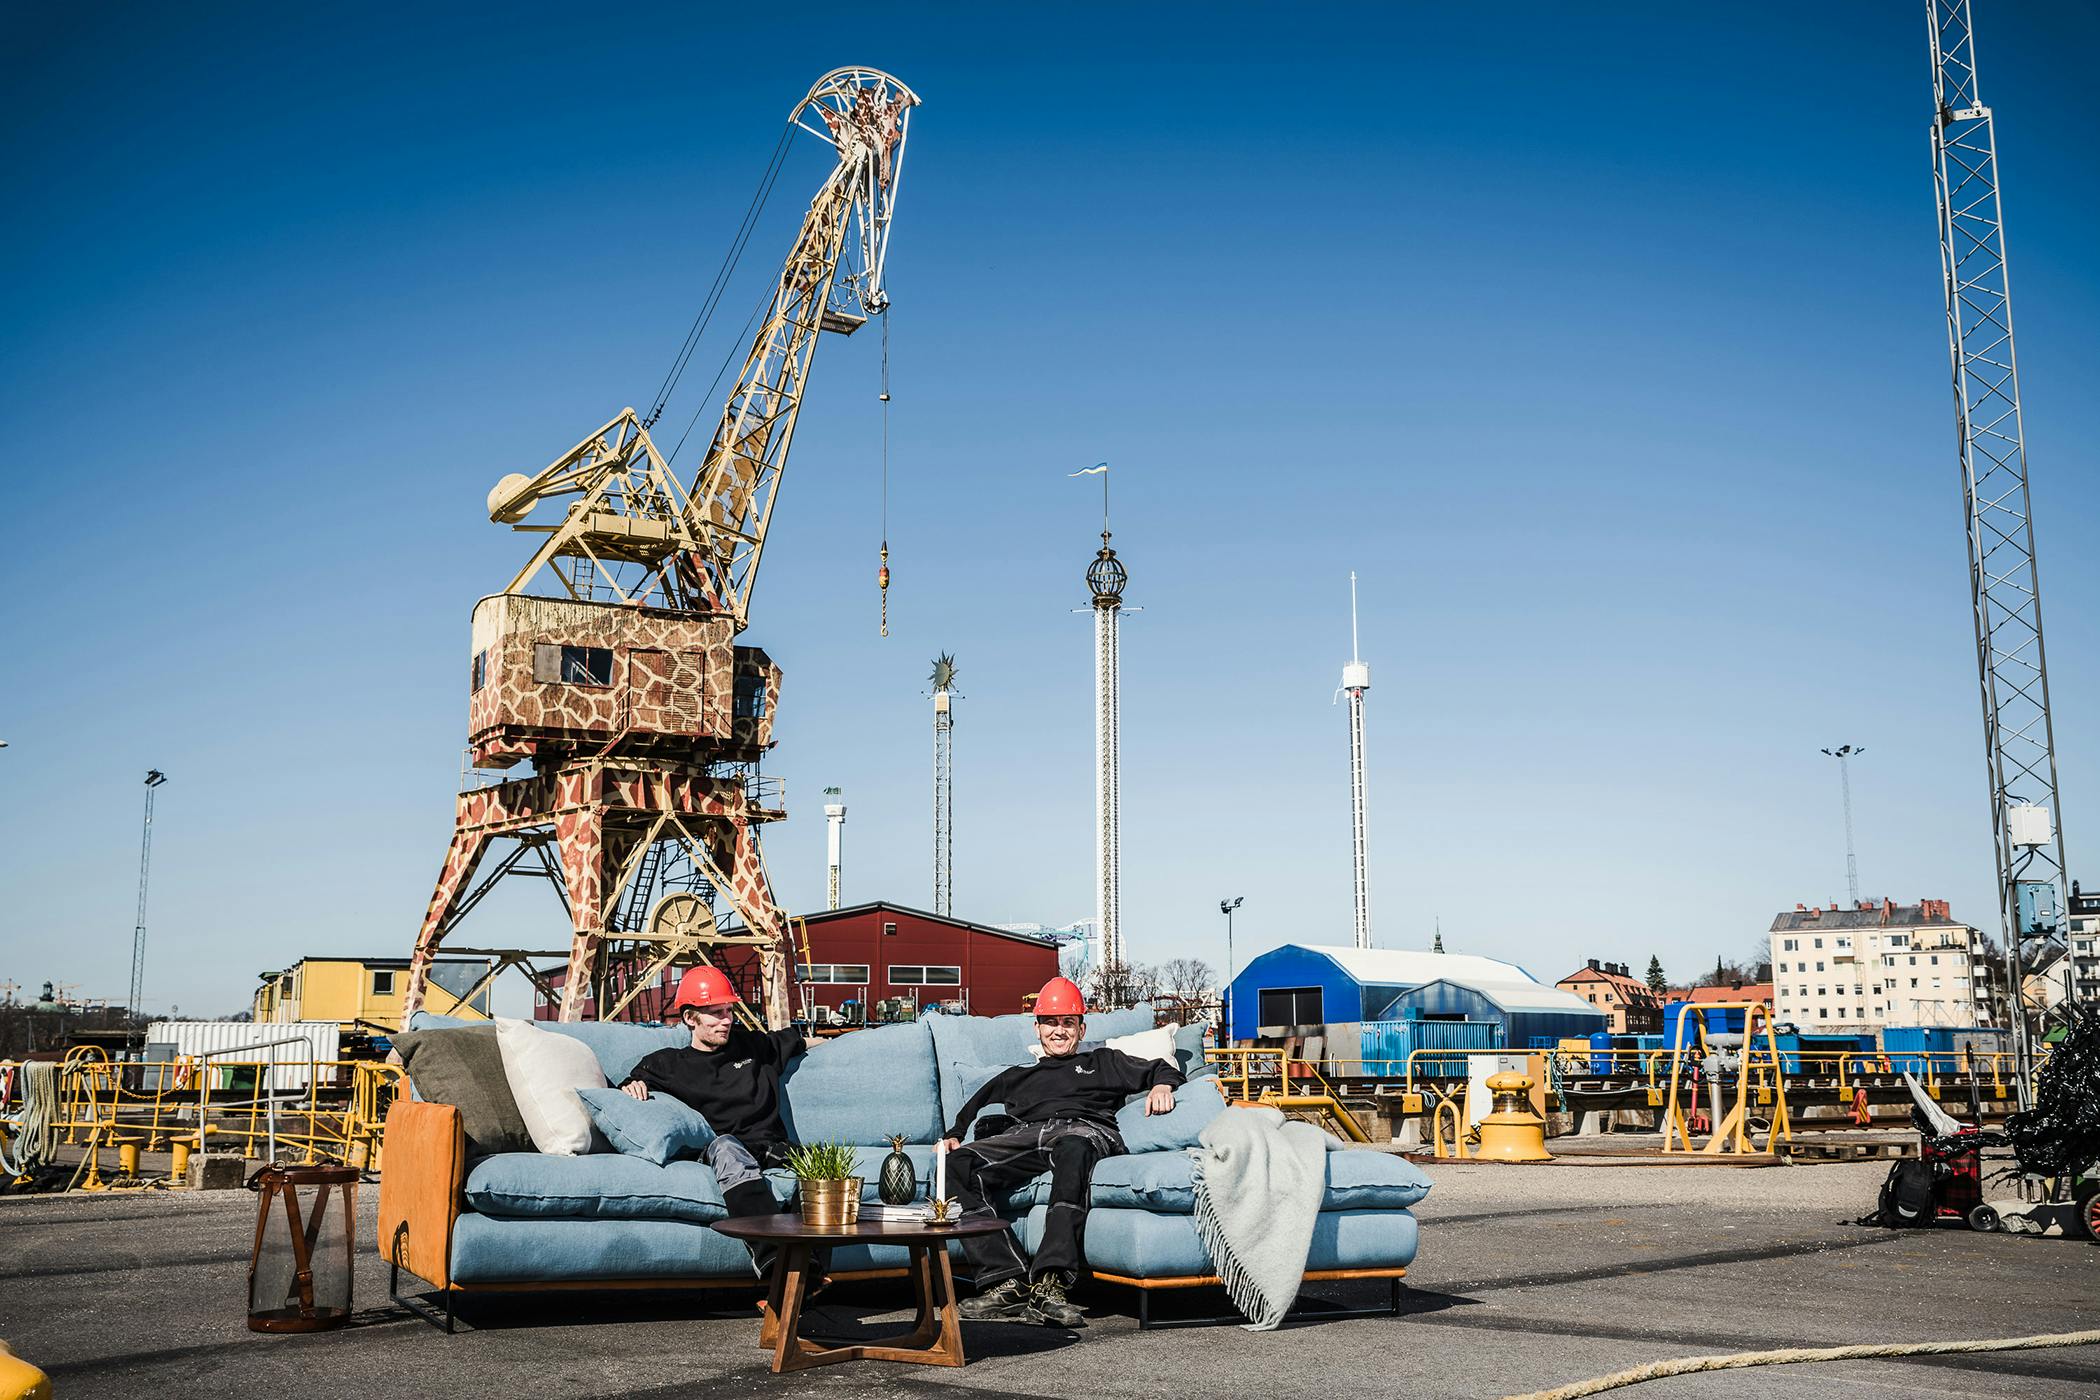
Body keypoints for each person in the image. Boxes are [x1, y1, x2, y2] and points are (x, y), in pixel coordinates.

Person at [944, 976, 1184, 1328]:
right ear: (1038, 1029)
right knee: (959, 1163)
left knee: (1073, 1150)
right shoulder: (1017, 1076)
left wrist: (1163, 1085)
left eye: (1067, 1023)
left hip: (1082, 1130)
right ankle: (1006, 1281)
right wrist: (955, 1133)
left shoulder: (1104, 1061)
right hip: (1027, 1134)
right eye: (1051, 1023)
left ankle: (1050, 1284)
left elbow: (1159, 1067)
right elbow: (974, 1104)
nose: (1059, 1031)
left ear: (1081, 1028)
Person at [619, 965, 803, 1253]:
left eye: (729, 1011)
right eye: (716, 1013)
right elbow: (630, 1084)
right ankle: (774, 1259)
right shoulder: (669, 1065)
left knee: (824, 1170)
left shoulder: (753, 1045)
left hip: (776, 1150)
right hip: (728, 1152)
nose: (727, 1020)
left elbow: (799, 1040)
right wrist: (630, 1085)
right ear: (690, 1018)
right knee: (727, 1147)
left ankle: (810, 1274)